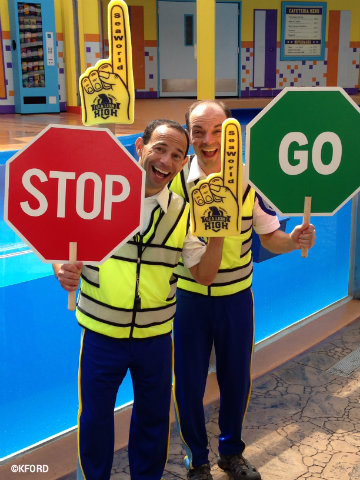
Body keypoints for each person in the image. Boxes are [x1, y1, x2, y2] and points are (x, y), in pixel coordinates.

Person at [53, 119, 225, 480]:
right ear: (140, 148)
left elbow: (204, 275)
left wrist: (219, 237)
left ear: (183, 164)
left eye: (177, 155)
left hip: (155, 339)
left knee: (153, 421)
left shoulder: (183, 211)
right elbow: (64, 242)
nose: (166, 161)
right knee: (95, 419)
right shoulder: (98, 194)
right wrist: (61, 266)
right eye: (159, 149)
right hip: (101, 334)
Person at [170, 100, 316, 480]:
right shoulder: (174, 185)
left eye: (217, 130)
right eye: (198, 131)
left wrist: (294, 238)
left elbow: (271, 238)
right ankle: (196, 459)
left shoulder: (249, 181)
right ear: (188, 135)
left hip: (236, 298)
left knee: (236, 379)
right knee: (187, 382)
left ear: (231, 133)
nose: (208, 140)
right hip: (187, 300)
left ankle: (230, 453)